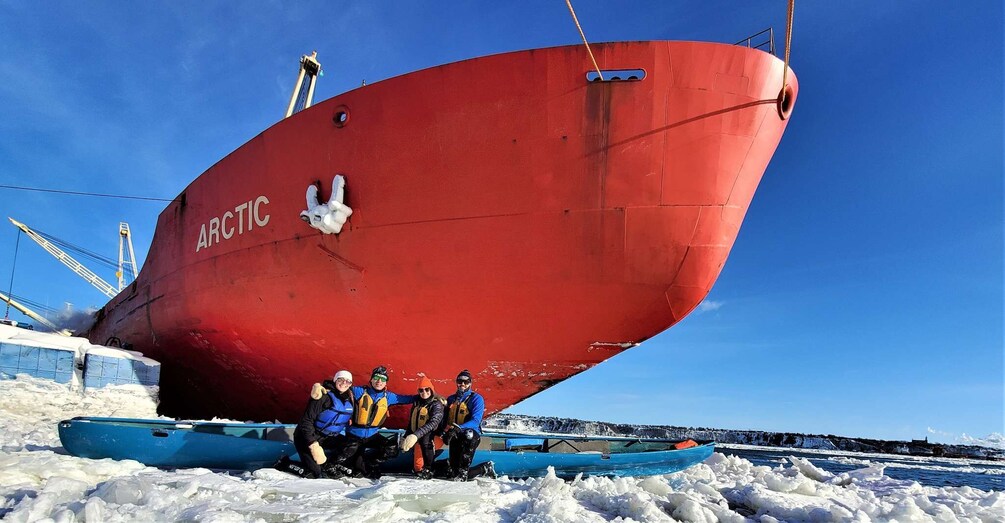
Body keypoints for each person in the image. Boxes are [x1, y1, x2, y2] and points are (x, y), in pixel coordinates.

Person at [331, 366, 416, 479]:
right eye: (376, 377)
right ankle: (330, 465)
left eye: (383, 379)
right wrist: (322, 388)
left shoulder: (389, 397)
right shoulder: (359, 391)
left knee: (391, 448)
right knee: (355, 459)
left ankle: (371, 463)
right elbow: (339, 388)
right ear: (371, 380)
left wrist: (434, 397)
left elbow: (410, 399)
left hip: (372, 435)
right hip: (354, 435)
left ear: (386, 383)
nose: (379, 381)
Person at [275, 369, 354, 479]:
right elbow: (306, 422)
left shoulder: (348, 399)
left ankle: (329, 465)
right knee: (314, 473)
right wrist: (313, 444)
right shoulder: (323, 396)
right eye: (341, 379)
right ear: (335, 380)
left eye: (348, 381)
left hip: (326, 437)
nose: (344, 383)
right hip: (307, 437)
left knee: (351, 444)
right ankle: (284, 463)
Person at [440, 369, 495, 480]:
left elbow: (476, 420)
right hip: (455, 435)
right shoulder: (451, 399)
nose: (463, 384)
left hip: (469, 436)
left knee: (468, 436)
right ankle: (483, 468)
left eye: (466, 382)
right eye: (460, 381)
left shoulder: (476, 399)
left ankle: (469, 471)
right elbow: (445, 418)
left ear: (470, 383)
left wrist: (458, 428)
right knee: (454, 473)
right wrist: (443, 431)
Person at [399, 375, 445, 479]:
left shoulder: (437, 405)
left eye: (427, 389)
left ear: (432, 390)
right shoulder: (417, 404)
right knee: (418, 468)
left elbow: (433, 423)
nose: (424, 392)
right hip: (418, 437)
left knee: (425, 440)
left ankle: (428, 468)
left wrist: (415, 436)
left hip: (434, 438)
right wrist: (406, 436)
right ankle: (441, 465)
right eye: (421, 390)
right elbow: (412, 423)